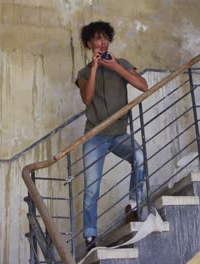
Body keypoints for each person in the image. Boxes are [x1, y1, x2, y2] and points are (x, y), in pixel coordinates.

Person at [75, 21, 149, 251]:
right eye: (97, 38)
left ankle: (133, 204)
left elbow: (144, 86)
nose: (102, 42)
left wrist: (116, 67)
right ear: (89, 43)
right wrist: (96, 68)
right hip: (94, 136)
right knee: (91, 189)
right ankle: (90, 237)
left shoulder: (123, 64)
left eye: (105, 37)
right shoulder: (84, 73)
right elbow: (87, 99)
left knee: (139, 156)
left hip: (118, 133)